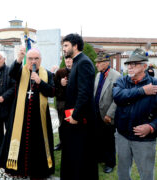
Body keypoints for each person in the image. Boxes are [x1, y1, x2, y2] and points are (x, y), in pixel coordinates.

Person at [0, 47, 55, 179]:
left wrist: (40, 82)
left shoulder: (47, 74)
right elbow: (11, 73)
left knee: (38, 144)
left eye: (36, 59)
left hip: (39, 118)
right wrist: (19, 58)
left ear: (41, 59)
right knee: (19, 143)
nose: (33, 61)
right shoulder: (20, 72)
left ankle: (38, 170)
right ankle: (19, 170)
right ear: (26, 59)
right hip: (19, 116)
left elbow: (52, 92)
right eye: (30, 58)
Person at [113, 48, 157, 180]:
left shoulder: (154, 85)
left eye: (135, 64)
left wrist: (151, 127)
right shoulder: (122, 81)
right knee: (123, 172)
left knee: (146, 174)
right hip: (122, 136)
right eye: (129, 63)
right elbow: (118, 96)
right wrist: (142, 91)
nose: (130, 66)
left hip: (144, 140)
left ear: (144, 66)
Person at [60, 33, 98, 180]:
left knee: (82, 158)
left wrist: (75, 116)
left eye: (66, 45)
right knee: (74, 156)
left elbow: (85, 93)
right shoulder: (76, 62)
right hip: (74, 118)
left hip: (80, 120)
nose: (64, 48)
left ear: (75, 46)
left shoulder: (84, 62)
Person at [94, 53, 120, 173]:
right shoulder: (98, 75)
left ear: (106, 63)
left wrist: (110, 114)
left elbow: (117, 99)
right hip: (97, 113)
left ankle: (110, 163)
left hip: (108, 115)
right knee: (99, 137)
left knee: (109, 140)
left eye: (99, 62)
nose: (96, 64)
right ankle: (100, 157)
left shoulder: (116, 76)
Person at [53, 57, 73, 151]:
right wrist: (60, 83)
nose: (68, 61)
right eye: (66, 59)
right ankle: (62, 143)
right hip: (61, 102)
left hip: (72, 102)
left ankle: (71, 143)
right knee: (62, 123)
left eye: (70, 59)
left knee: (71, 123)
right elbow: (54, 86)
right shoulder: (60, 72)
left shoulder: (77, 70)